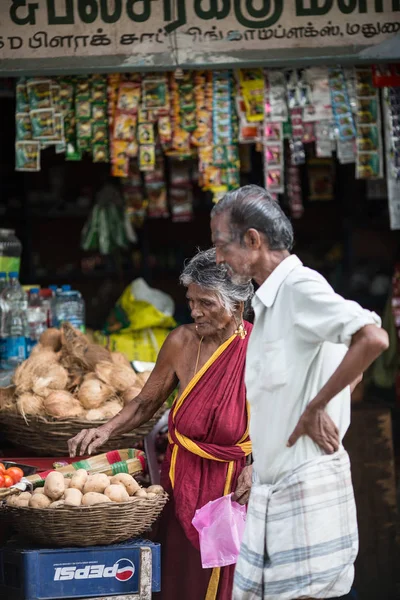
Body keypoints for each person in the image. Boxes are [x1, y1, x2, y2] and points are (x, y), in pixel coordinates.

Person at [210, 185, 389, 600]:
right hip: (277, 491)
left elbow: (372, 337)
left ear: (253, 241)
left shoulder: (299, 288)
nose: (218, 258)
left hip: (306, 487)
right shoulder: (272, 299)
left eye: (221, 245)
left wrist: (319, 404)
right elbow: (347, 350)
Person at [68, 248, 254, 600]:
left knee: (222, 581)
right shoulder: (181, 342)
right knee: (175, 577)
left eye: (207, 303)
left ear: (237, 306)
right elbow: (144, 403)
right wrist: (105, 429)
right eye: (191, 300)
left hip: (232, 487)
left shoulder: (259, 347)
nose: (195, 311)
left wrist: (258, 466)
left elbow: (282, 419)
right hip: (179, 480)